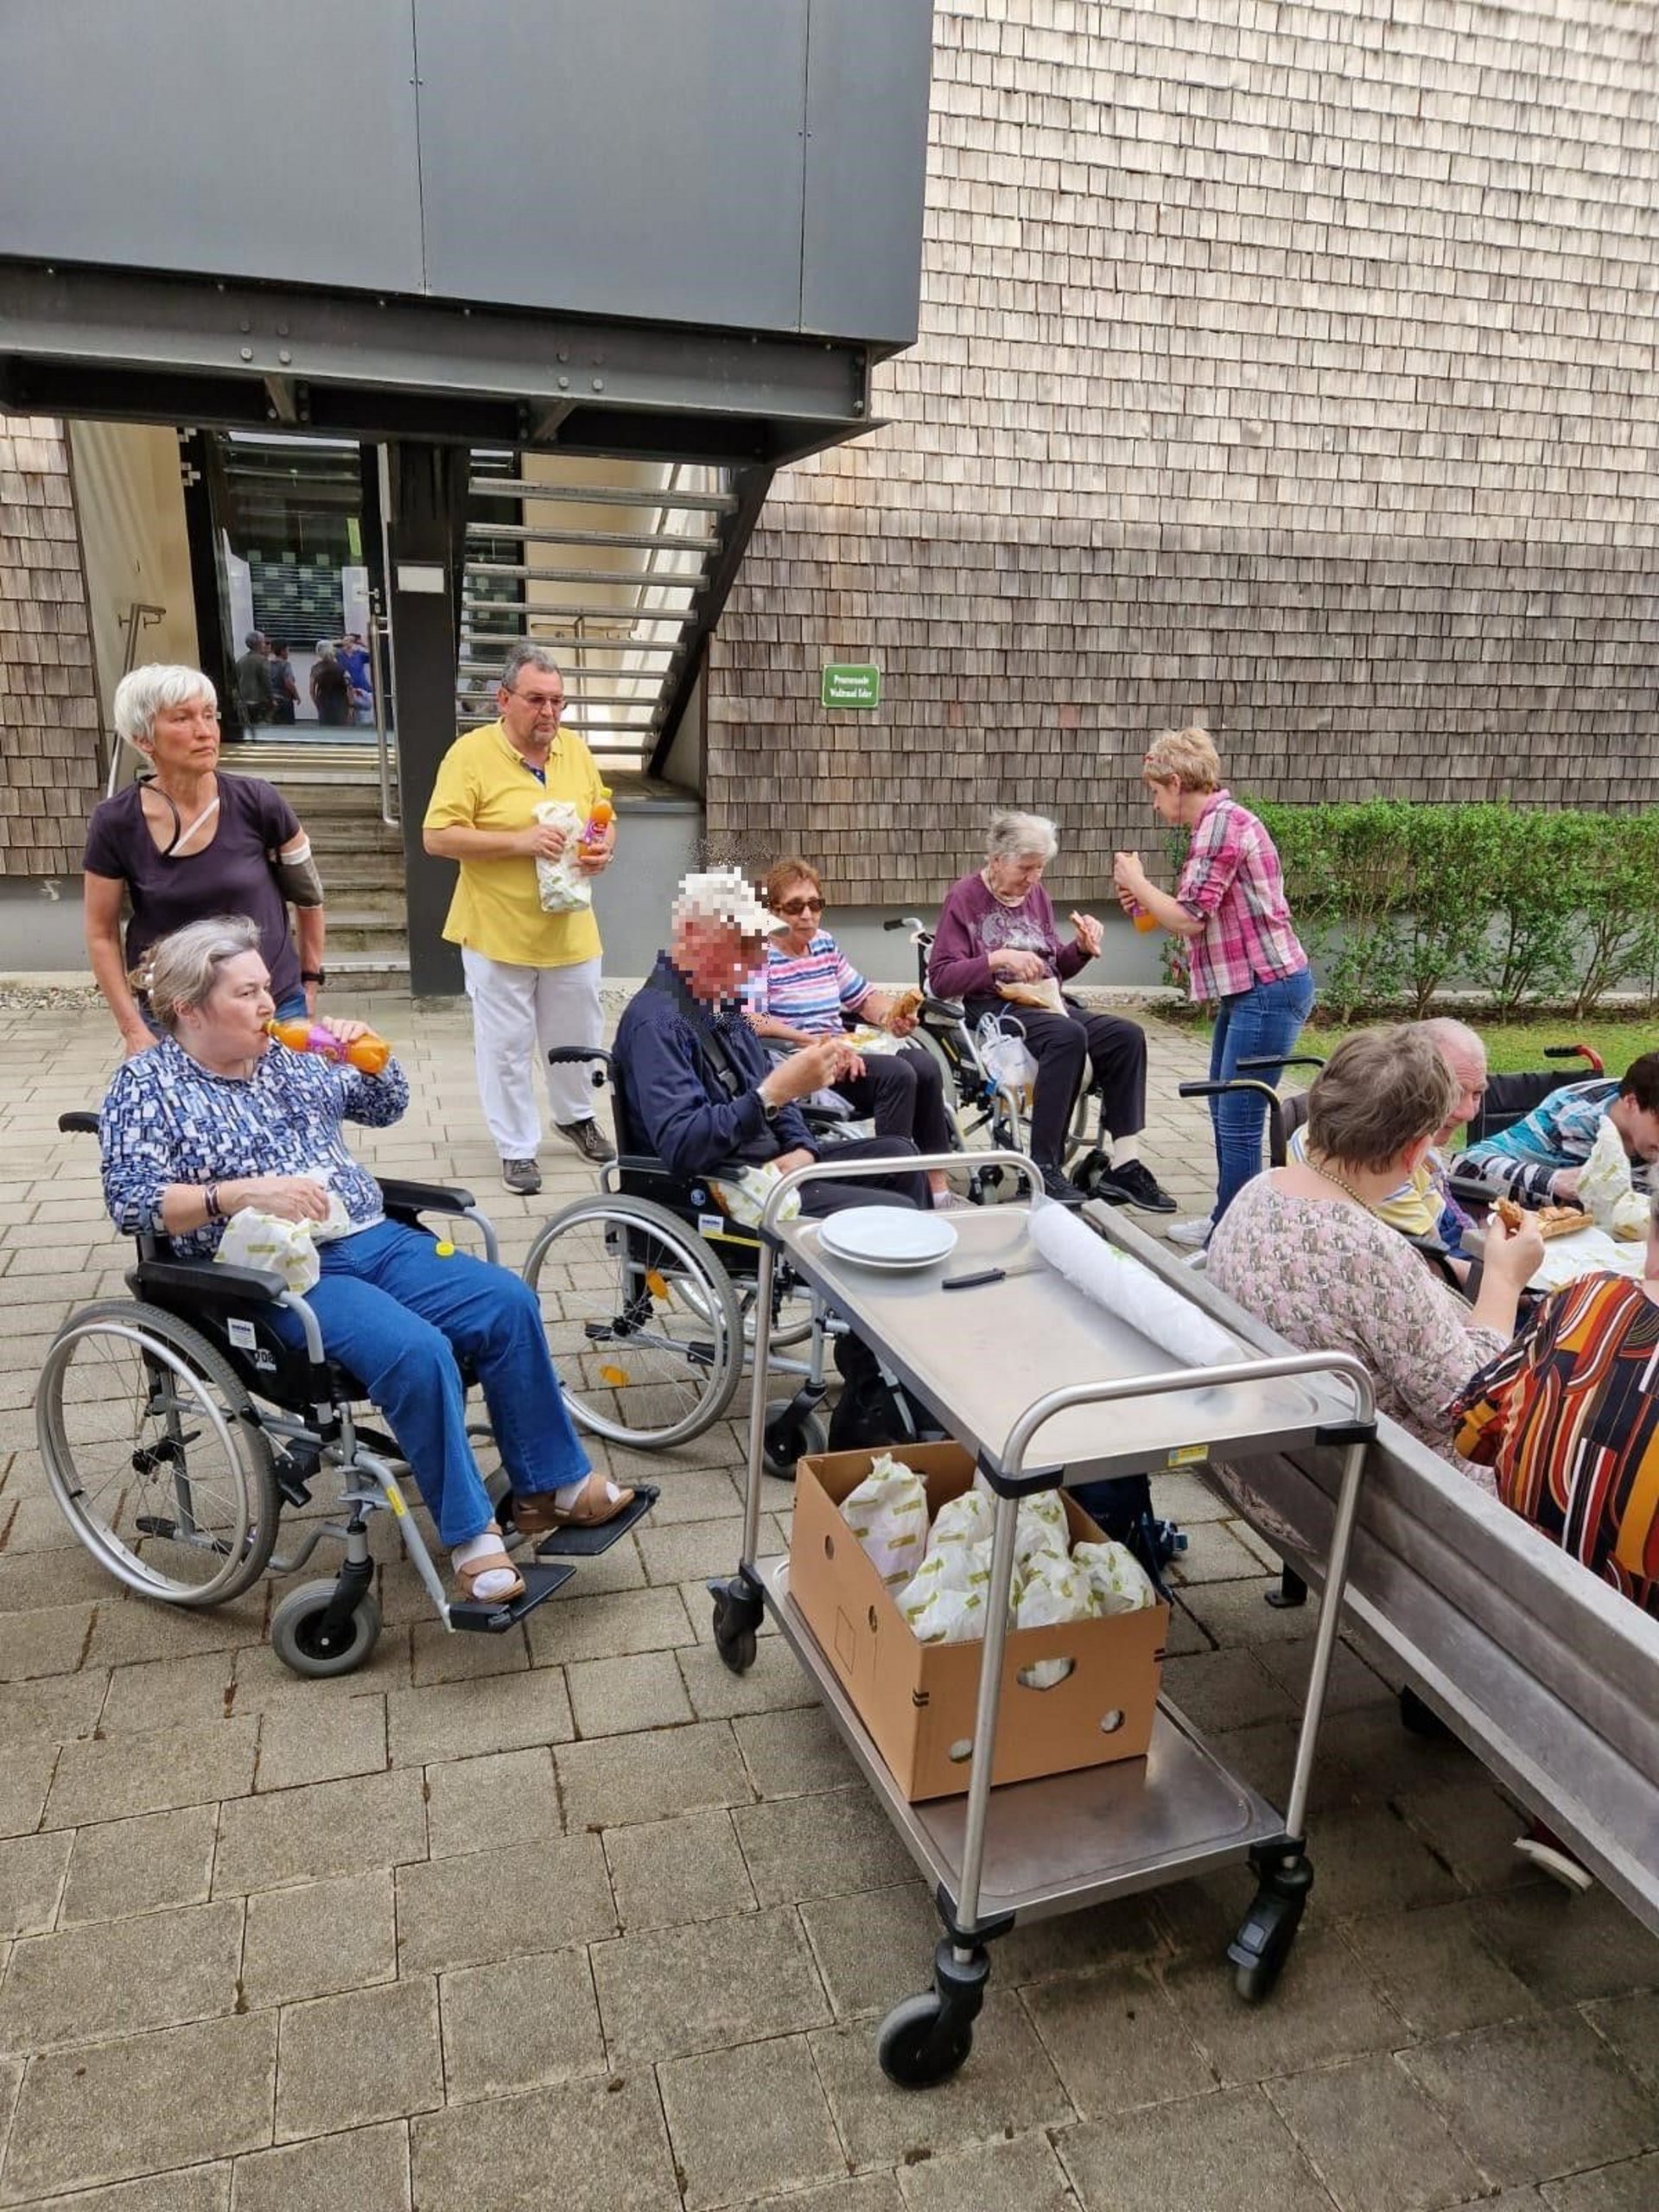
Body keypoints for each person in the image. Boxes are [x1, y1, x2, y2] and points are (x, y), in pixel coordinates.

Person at [98, 918, 632, 1603]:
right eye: (246, 993)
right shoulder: (148, 1085)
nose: (268, 1004)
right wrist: (238, 1193)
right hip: (277, 1270)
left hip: (372, 1236)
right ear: (190, 1009)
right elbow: (132, 1203)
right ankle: (471, 1535)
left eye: (267, 988)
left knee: (506, 1302)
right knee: (416, 1350)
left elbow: (387, 1107)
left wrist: (369, 1056)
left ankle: (549, 1486)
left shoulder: (292, 1055)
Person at [1207, 1028, 1542, 1469]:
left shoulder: (1261, 1189)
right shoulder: (1369, 1251)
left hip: (1276, 1460)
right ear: (1415, 1151)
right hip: (1380, 1485)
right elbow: (1468, 1408)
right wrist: (1504, 1279)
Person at [1451, 1182, 1659, 1890]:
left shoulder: (1582, 1300)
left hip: (1513, 1609)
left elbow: (1469, 1432)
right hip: (1627, 1666)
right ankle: (1594, 1804)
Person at [613, 868, 927, 1217]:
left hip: (768, 1168)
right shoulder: (656, 1024)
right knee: (895, 1210)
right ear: (692, 936)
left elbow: (769, 1084)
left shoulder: (722, 1003)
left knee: (901, 1157)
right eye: (744, 946)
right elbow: (685, 1145)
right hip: (719, 1188)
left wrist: (802, 1147)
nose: (756, 961)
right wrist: (769, 1097)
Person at [423, 645, 617, 1194]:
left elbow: (603, 812)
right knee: (505, 1047)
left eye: (557, 701)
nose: (549, 712)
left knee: (578, 1036)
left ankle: (576, 1117)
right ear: (503, 700)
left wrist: (604, 847)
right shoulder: (469, 755)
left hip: (571, 929)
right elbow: (437, 837)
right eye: (536, 699)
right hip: (497, 931)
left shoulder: (574, 750)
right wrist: (519, 842)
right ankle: (516, 1147)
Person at [1113, 726, 1313, 1247]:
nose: (1155, 805)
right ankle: (1228, 1215)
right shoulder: (1217, 824)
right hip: (1251, 990)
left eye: (1156, 792)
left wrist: (1138, 883)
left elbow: (1190, 919)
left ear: (1177, 783)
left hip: (1268, 988)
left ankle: (1236, 1241)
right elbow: (1188, 915)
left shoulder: (1222, 825)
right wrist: (1142, 902)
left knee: (1240, 1118)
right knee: (1225, 1108)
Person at [928, 810, 1174, 1212]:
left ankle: (1125, 1165)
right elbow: (941, 979)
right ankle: (1044, 1165)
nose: (1033, 878)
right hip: (995, 1007)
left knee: (1126, 1036)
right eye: (1025, 868)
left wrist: (1081, 949)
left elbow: (1054, 966)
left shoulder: (1036, 895)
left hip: (1045, 1002)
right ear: (996, 860)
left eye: (1039, 867)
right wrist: (997, 958)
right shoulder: (965, 897)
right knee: (1068, 1035)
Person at [84, 664, 327, 1056]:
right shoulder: (115, 822)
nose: (205, 730)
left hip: (272, 1007)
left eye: (209, 715)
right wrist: (132, 1029)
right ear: (143, 738)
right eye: (182, 718)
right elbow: (101, 934)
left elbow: (309, 897)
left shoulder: (259, 802)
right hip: (176, 1019)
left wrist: (309, 985)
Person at [747, 859, 961, 1208]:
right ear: (773, 912)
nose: (807, 915)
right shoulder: (759, 956)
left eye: (815, 904)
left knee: (924, 1064)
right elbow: (752, 1021)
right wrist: (816, 1044)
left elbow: (863, 998)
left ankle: (937, 1189)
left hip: (842, 1053)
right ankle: (894, 1188)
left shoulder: (824, 945)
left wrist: (892, 1017)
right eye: (795, 907)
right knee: (897, 1074)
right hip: (801, 1065)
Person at [1289, 1016, 1489, 1258]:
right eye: (1454, 1093)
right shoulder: (1382, 1171)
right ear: (1413, 1151)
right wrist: (1504, 1273)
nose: (1469, 1113)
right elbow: (1438, 1263)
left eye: (1477, 1093)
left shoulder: (1264, 1184)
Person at [1457, 1052, 1659, 1208]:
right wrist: (1552, 1181)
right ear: (1631, 1102)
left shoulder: (1648, 1097)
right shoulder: (1569, 1118)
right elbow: (1466, 1165)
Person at [233, 631, 274, 729]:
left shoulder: (241, 661)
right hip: (259, 701)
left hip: (243, 701)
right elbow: (266, 682)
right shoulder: (262, 660)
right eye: (263, 642)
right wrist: (272, 699)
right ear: (258, 644)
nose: (265, 645)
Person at [309, 643, 353, 728]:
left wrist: (317, 704)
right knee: (341, 729)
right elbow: (350, 687)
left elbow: (311, 691)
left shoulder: (316, 669)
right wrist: (351, 707)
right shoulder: (340, 668)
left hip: (323, 702)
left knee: (325, 730)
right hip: (340, 702)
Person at [269, 643, 299, 726]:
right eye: (287, 650)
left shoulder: (268, 664)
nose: (288, 653)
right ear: (282, 651)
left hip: (272, 700)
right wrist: (297, 696)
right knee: (287, 728)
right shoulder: (285, 664)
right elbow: (288, 682)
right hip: (284, 700)